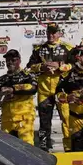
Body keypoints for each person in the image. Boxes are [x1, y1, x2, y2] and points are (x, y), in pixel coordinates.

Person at [26, 22, 73, 152]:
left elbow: (75, 65)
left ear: (59, 33)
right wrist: (42, 67)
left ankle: (68, 148)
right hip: (44, 91)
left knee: (67, 119)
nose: (51, 35)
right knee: (44, 121)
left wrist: (60, 66)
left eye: (53, 32)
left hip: (61, 90)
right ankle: (44, 148)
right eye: (49, 32)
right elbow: (29, 67)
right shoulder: (39, 49)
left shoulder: (67, 48)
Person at [0, 49, 38, 145]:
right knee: (5, 149)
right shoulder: (1, 80)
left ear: (19, 60)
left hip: (24, 119)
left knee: (27, 148)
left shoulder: (28, 76)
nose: (10, 62)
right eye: (8, 60)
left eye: (13, 60)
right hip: (7, 121)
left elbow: (33, 88)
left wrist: (13, 89)